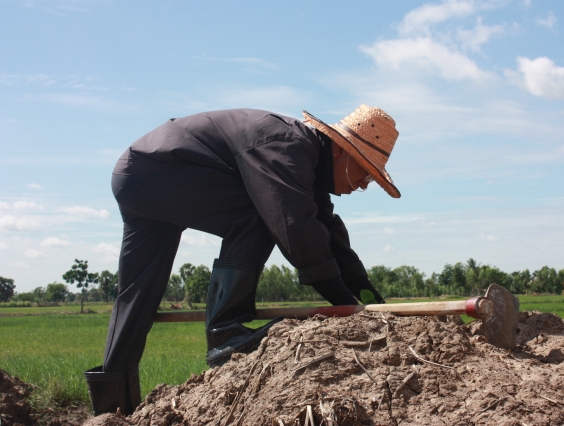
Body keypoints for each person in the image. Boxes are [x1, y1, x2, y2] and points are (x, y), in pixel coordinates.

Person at [84, 104, 401, 415]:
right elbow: (295, 229)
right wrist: (347, 307)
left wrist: (371, 301)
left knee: (137, 294)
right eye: (365, 172)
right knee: (260, 212)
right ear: (341, 150)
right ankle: (225, 334)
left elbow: (329, 235)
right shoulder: (288, 146)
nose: (364, 184)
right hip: (160, 170)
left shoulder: (306, 165)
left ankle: (112, 412)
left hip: (136, 176)